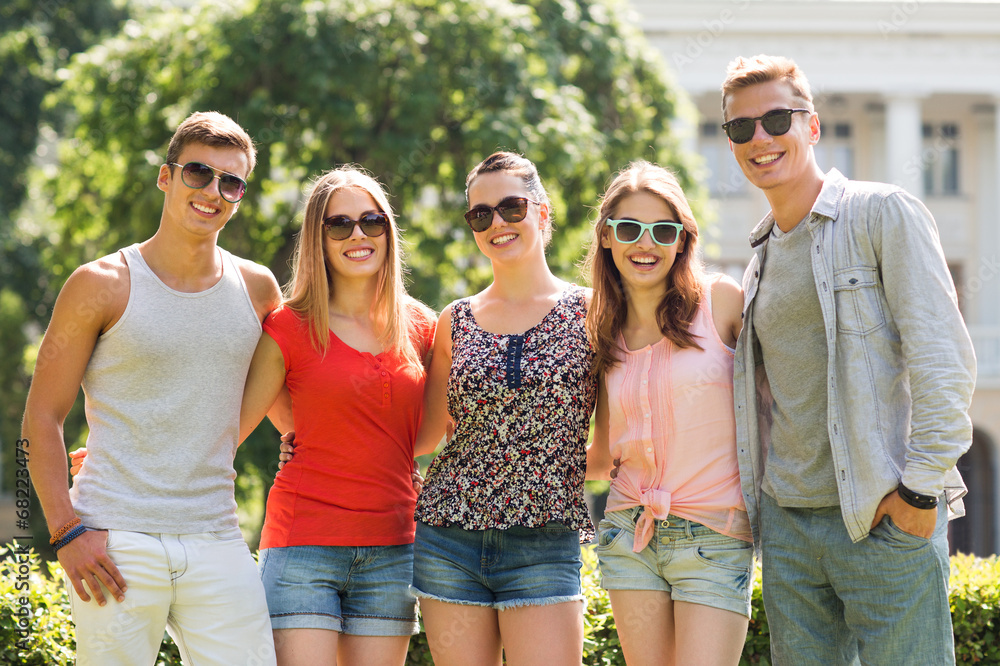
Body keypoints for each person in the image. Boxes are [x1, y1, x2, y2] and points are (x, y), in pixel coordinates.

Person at [721, 54, 976, 665]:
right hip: (790, 528)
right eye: (740, 128)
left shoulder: (882, 211)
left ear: (811, 127)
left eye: (777, 119)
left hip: (882, 517)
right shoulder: (759, 256)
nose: (760, 138)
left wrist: (919, 494)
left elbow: (945, 361)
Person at [21, 111, 281, 665]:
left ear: (239, 196)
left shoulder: (258, 289)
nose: (213, 192)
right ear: (166, 177)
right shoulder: (101, 284)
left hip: (215, 534)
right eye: (198, 173)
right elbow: (42, 418)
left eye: (230, 182)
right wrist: (66, 531)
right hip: (113, 539)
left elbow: (281, 392)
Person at [238, 166, 437, 665]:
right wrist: (121, 457)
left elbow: (445, 426)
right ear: (317, 238)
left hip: (394, 547)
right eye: (339, 224)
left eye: (371, 221)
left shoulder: (425, 327)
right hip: (303, 547)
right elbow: (225, 431)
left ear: (388, 231)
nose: (357, 235)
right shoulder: (287, 327)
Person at [410, 151, 598, 665]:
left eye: (511, 207)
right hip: (448, 539)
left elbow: (622, 427)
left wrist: (559, 474)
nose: (497, 223)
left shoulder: (592, 312)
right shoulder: (456, 318)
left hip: (544, 540)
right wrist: (305, 433)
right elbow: (423, 439)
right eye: (481, 215)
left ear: (541, 212)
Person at [584, 161, 751, 666]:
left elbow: (777, 403)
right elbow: (603, 453)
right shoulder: (601, 330)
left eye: (663, 230)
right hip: (628, 530)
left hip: (715, 533)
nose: (646, 243)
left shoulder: (721, 303)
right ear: (608, 237)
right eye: (630, 228)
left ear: (682, 240)